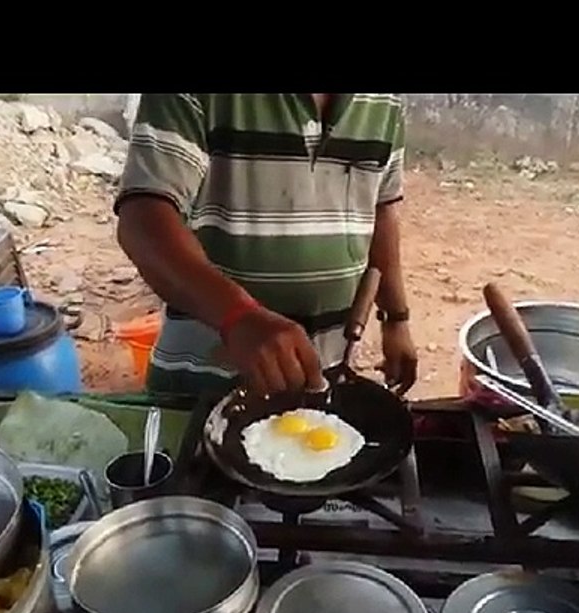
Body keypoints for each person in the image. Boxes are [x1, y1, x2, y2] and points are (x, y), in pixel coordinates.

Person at [115, 94, 419, 397]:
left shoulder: (386, 102)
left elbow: (381, 207)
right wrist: (238, 316)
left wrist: (395, 318)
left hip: (323, 379)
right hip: (201, 384)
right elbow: (143, 218)